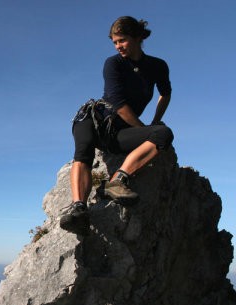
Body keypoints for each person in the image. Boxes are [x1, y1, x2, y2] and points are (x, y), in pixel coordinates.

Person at [60, 16, 174, 235]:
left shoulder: (157, 66)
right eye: (115, 42)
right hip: (95, 119)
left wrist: (156, 121)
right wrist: (142, 128)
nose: (118, 46)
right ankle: (78, 210)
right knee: (83, 151)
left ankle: (117, 181)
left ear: (138, 37)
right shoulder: (113, 63)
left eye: (122, 40)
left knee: (163, 134)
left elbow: (165, 93)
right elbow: (119, 104)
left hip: (118, 133)